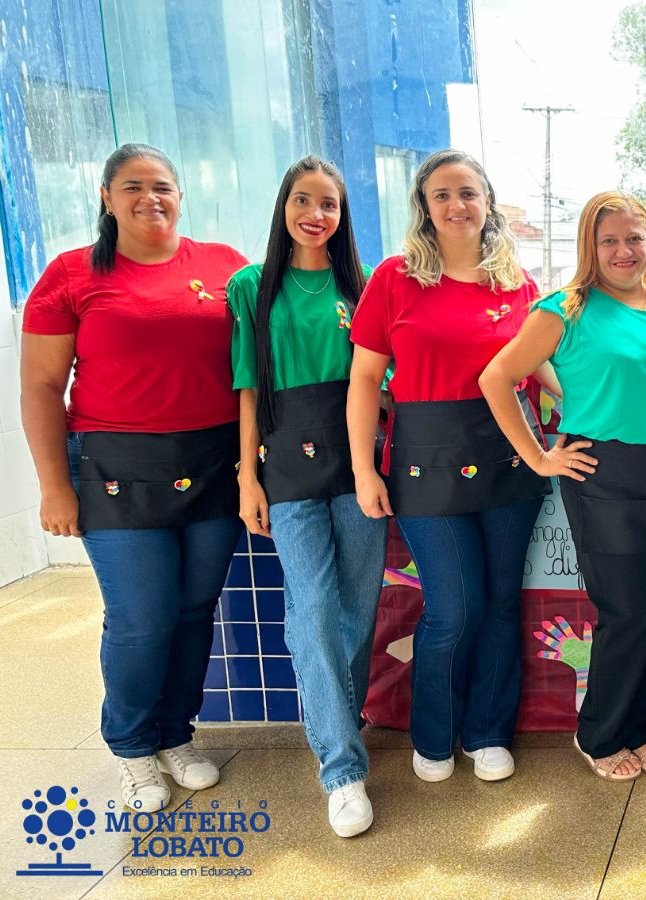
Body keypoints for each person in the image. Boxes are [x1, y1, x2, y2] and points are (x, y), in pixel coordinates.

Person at [21, 143, 248, 812]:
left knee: (195, 610)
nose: (150, 198)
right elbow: (41, 387)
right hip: (115, 469)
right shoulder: (71, 274)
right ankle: (130, 746)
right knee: (141, 619)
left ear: (180, 194)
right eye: (133, 186)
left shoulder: (224, 266)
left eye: (162, 186)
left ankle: (176, 735)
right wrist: (54, 486)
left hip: (213, 464)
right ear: (106, 197)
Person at [481, 191, 646, 782]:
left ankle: (637, 731)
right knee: (629, 612)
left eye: (634, 237)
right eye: (609, 240)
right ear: (590, 247)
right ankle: (598, 734)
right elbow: (497, 376)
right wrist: (538, 458)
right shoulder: (565, 310)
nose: (623, 250)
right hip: (602, 475)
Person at [346, 150, 549, 784]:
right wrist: (363, 471)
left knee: (500, 605)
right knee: (453, 610)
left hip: (510, 462)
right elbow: (364, 380)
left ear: (487, 201)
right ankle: (434, 736)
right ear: (424, 206)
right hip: (424, 468)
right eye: (442, 195)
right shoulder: (394, 278)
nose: (457, 205)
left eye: (468, 192)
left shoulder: (517, 282)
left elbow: (541, 366)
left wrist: (594, 408)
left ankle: (488, 732)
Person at [227, 157, 386, 836]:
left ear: (342, 216)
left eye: (328, 204)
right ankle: (342, 771)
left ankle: (336, 720)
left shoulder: (365, 285)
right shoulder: (251, 285)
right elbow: (247, 387)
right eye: (302, 200)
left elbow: (381, 378)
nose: (314, 215)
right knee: (314, 607)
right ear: (283, 206)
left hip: (358, 462)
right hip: (285, 465)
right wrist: (247, 477)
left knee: (357, 608)